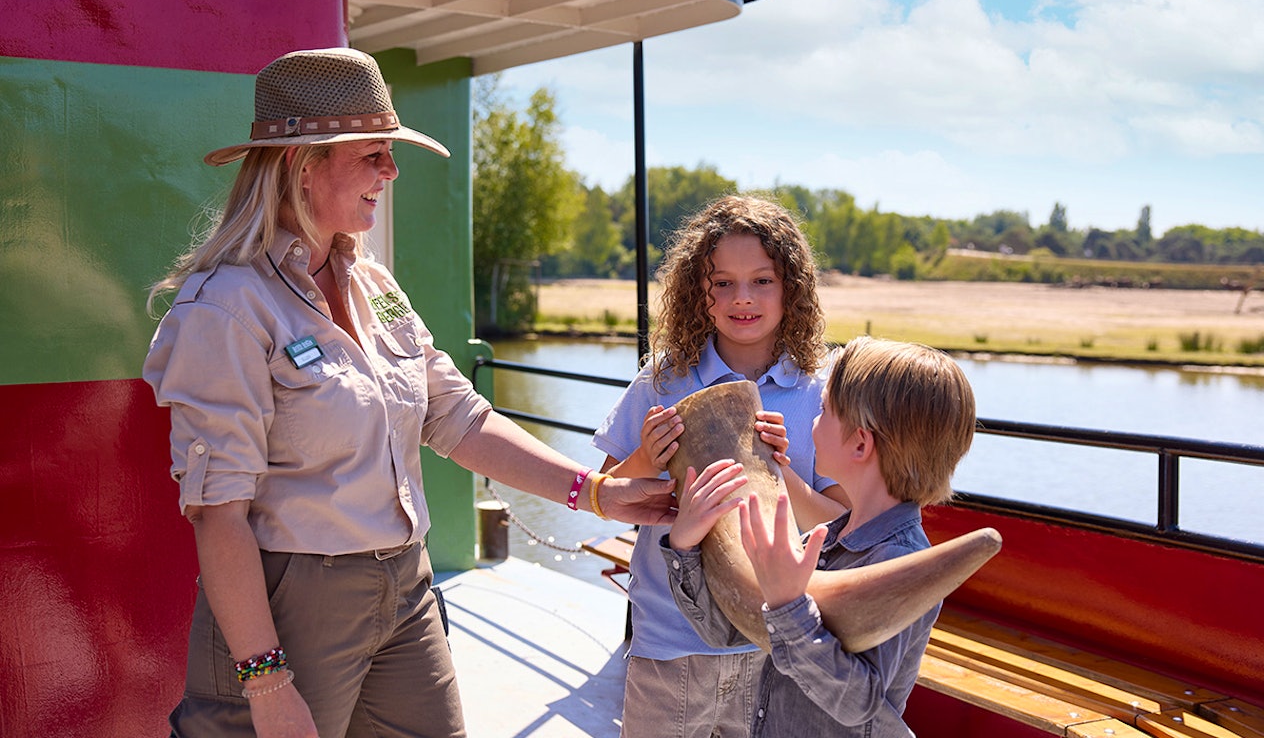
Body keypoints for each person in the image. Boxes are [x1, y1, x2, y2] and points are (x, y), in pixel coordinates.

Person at [142, 47, 677, 738]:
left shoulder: (375, 286)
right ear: (305, 166)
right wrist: (265, 679)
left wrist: (596, 492)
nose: (390, 171)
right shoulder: (227, 308)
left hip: (404, 587)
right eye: (373, 154)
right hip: (290, 600)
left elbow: (457, 415)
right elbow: (219, 513)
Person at [592, 195, 845, 737]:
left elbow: (842, 524)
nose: (742, 299)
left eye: (762, 281)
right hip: (670, 645)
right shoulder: (662, 381)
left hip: (777, 648)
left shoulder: (820, 392)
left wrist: (784, 473)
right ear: (697, 292)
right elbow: (606, 499)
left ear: (792, 288)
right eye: (723, 283)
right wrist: (644, 458)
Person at [663, 336, 977, 737]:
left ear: (861, 443)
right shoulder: (822, 539)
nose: (813, 421)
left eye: (824, 410)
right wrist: (686, 546)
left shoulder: (897, 561)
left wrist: (787, 605)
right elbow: (728, 631)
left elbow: (857, 704)